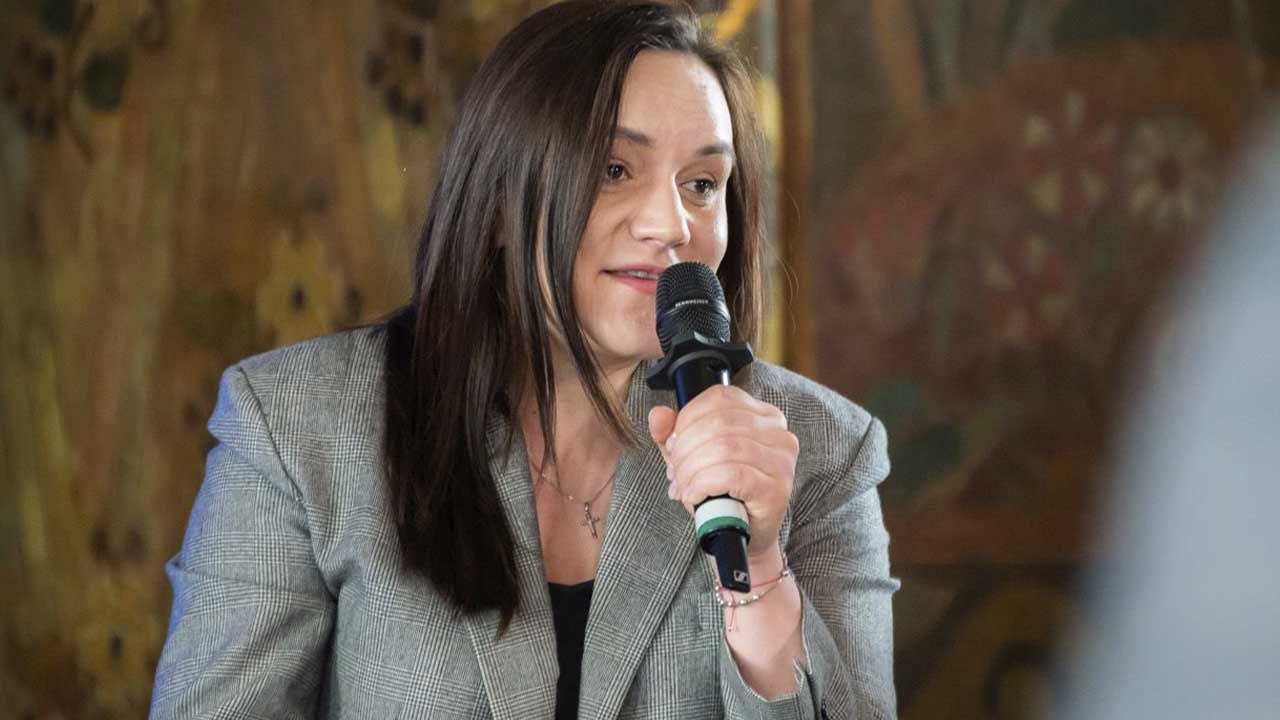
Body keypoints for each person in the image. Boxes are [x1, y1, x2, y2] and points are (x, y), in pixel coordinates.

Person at [149, 2, 897, 718]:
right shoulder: (298, 425)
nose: (672, 225)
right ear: (501, 202)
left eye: (702, 185)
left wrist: (759, 568)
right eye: (613, 170)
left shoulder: (823, 449)